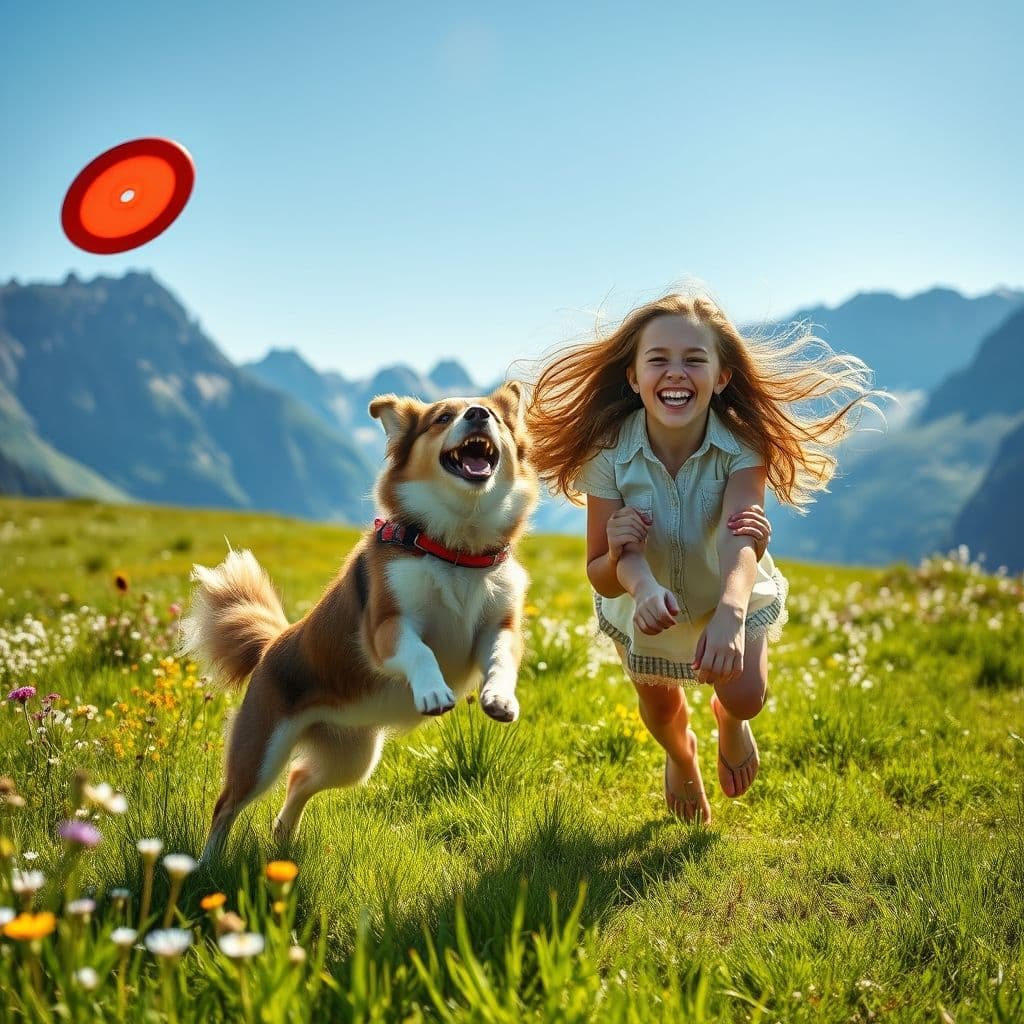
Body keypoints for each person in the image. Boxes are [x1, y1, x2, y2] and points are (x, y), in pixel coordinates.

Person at [525, 291, 880, 822]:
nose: (676, 373)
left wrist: (731, 614)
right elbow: (600, 571)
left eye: (694, 360)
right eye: (658, 360)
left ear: (720, 377)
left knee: (746, 697)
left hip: (726, 591)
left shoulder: (742, 442)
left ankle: (729, 723)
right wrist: (639, 582)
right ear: (632, 376)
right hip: (646, 603)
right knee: (661, 708)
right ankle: (680, 756)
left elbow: (741, 537)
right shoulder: (607, 452)